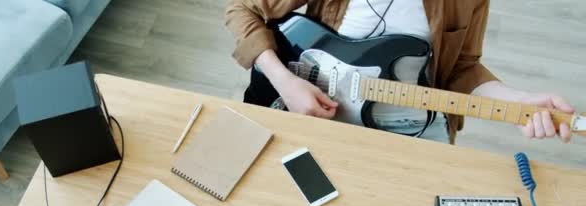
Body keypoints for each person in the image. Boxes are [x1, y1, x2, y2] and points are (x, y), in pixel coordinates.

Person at [225, 0, 575, 144]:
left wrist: (519, 101)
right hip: (313, 113)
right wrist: (284, 80)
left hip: (410, 126)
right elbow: (242, 8)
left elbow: (461, 69)